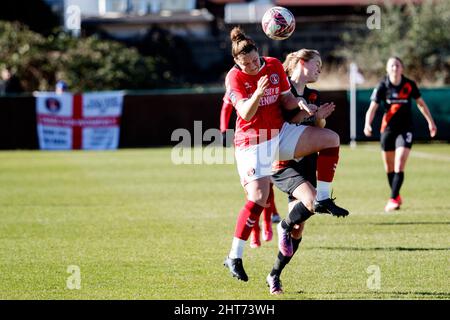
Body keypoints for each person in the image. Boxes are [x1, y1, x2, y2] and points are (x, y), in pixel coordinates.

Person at [223, 27, 348, 282]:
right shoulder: (234, 78)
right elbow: (245, 114)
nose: (253, 66)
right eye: (246, 64)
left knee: (331, 139)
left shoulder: (274, 65)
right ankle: (234, 256)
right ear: (237, 62)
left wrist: (302, 105)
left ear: (260, 54)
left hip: (278, 134)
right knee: (259, 196)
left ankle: (323, 198)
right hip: (251, 143)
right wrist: (258, 91)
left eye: (255, 60)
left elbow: (287, 100)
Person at [364, 57, 437, 212]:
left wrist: (431, 122)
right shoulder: (383, 85)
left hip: (405, 129)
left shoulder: (409, 85)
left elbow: (421, 104)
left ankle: (392, 198)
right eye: (392, 66)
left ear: (402, 68)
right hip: (388, 130)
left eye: (397, 65)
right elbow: (372, 108)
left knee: (400, 162)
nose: (395, 68)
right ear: (387, 69)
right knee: (389, 167)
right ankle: (396, 196)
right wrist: (367, 124)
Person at [220, 93, 282, 249]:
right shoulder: (237, 83)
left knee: (268, 183)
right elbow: (226, 107)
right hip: (247, 142)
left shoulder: (267, 82)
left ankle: (267, 222)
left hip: (269, 137)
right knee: (251, 191)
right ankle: (255, 231)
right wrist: (223, 131)